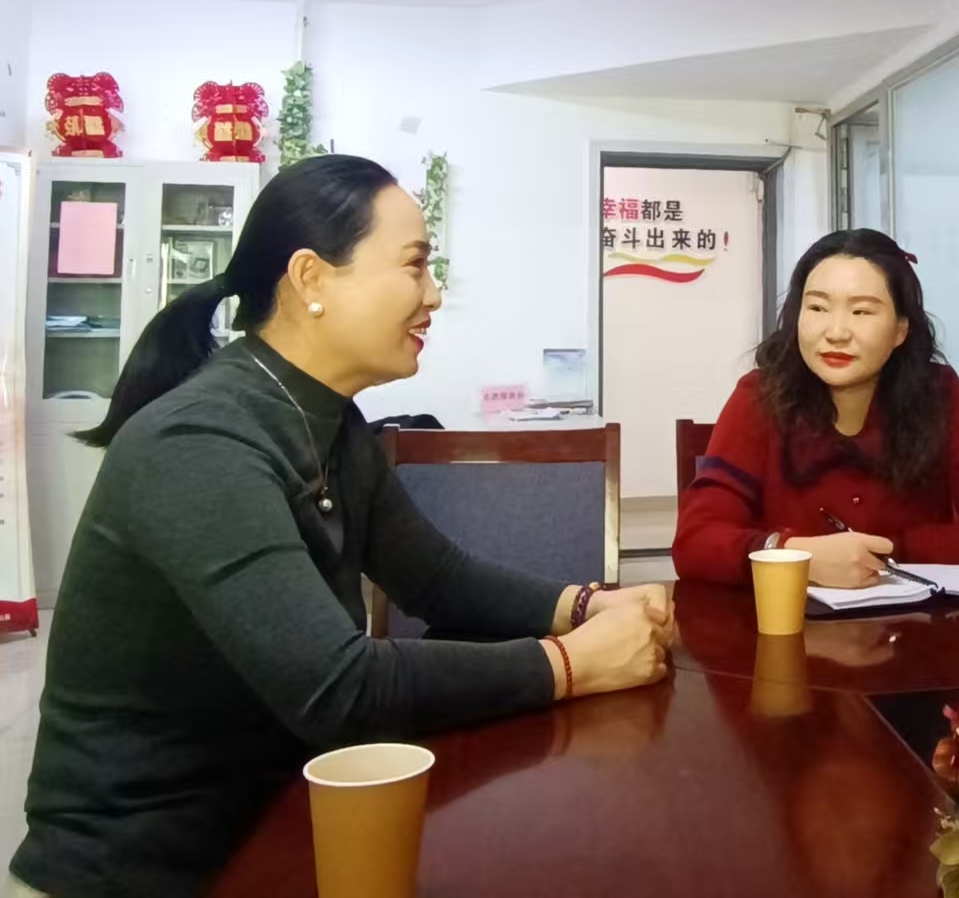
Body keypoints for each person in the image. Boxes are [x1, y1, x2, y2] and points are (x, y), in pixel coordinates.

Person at [9, 156, 674, 898]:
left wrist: (588, 604)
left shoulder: (330, 421)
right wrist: (571, 663)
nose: (434, 293)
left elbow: (439, 579)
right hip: (150, 865)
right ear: (311, 278)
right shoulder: (198, 440)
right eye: (415, 265)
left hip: (287, 822)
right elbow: (336, 687)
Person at [672, 228, 959, 588]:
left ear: (900, 329)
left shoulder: (939, 395)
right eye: (817, 307)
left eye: (861, 312)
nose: (836, 332)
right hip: (784, 620)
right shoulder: (760, 397)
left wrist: (882, 554)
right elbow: (696, 541)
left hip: (910, 623)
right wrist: (793, 555)